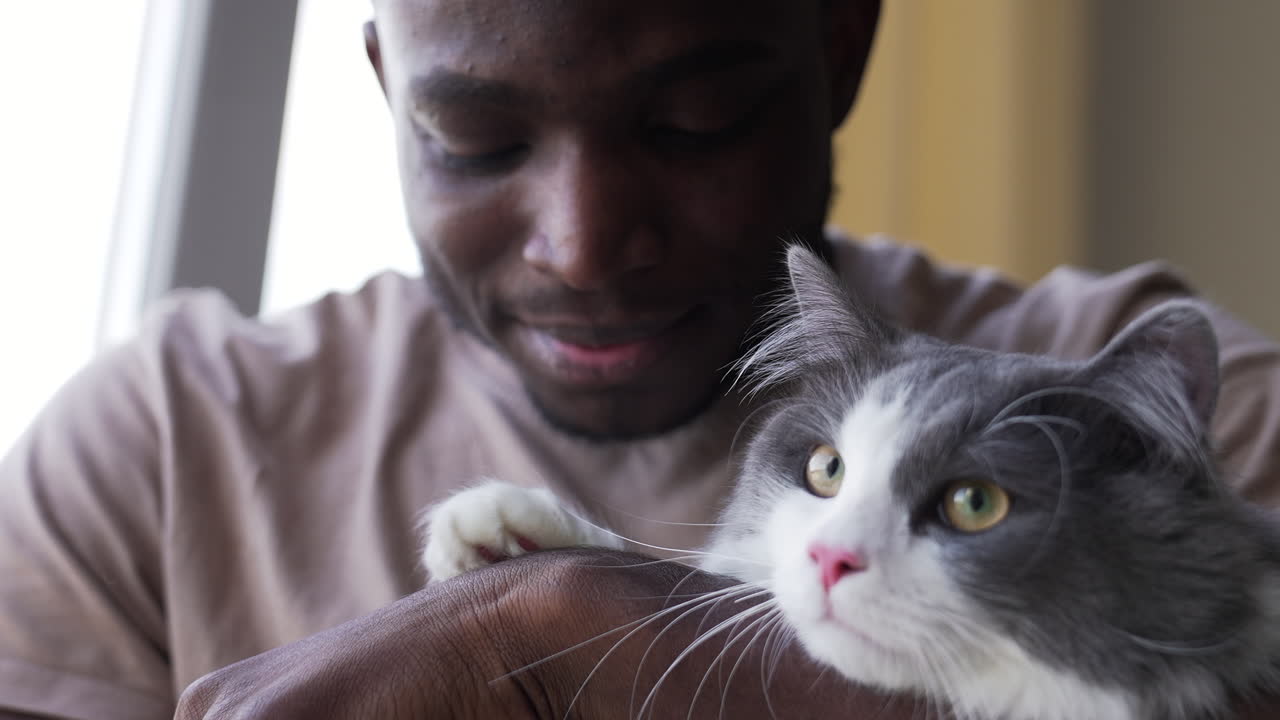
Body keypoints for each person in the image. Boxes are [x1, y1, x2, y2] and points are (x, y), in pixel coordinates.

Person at [2, 1, 1279, 718]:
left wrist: (550, 639)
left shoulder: (1187, 423)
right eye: (478, 142)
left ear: (835, 49)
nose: (584, 244)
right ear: (386, 83)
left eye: (689, 124)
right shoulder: (163, 433)